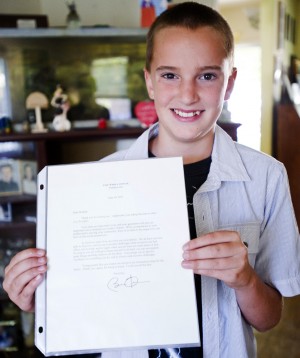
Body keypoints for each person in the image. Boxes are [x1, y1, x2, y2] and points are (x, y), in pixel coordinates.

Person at [3, 2, 300, 357]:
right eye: (170, 75)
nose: (188, 94)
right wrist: (41, 298)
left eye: (207, 75)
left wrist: (246, 280)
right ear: (149, 82)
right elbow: (85, 306)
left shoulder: (266, 178)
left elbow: (270, 318)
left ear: (230, 83)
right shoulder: (99, 181)